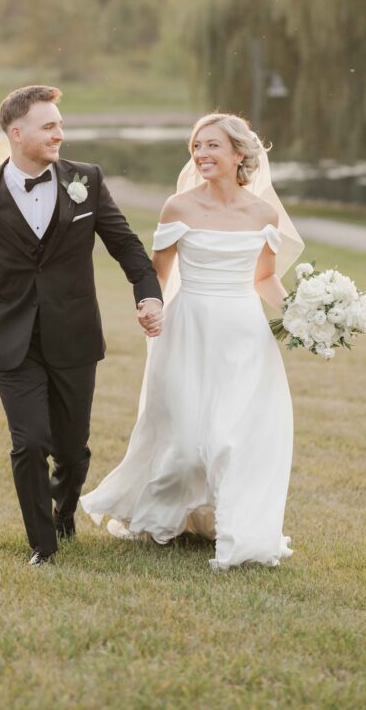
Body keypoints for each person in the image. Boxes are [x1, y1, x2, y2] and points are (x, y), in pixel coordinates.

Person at [0, 85, 163, 566]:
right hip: (11, 339)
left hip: (74, 333)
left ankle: (64, 514)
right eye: (49, 126)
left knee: (70, 449)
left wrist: (147, 293)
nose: (60, 133)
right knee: (29, 443)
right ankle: (42, 546)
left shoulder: (87, 180)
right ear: (16, 133)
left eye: (60, 124)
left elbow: (126, 245)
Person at [80, 112, 303, 570]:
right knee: (182, 438)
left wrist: (302, 315)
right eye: (196, 146)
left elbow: (264, 278)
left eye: (212, 146)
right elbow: (157, 277)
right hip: (187, 328)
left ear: (238, 153)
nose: (201, 154)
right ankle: (163, 515)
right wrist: (149, 306)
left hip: (243, 334)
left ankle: (236, 526)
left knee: (231, 437)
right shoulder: (178, 207)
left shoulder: (264, 213)